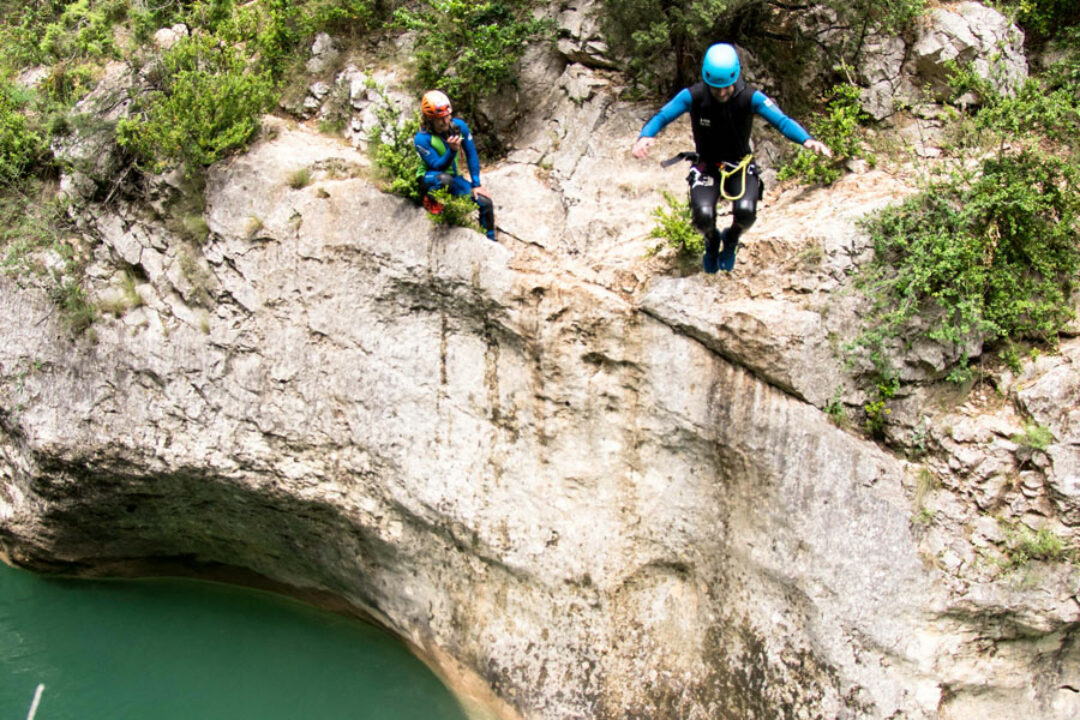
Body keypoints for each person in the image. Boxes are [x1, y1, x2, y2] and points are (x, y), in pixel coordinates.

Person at [632, 43, 833, 273]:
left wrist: (806, 139)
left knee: (746, 213)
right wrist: (645, 135)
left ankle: (731, 238)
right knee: (702, 217)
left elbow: (782, 121)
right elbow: (663, 115)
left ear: (735, 77)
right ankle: (711, 239)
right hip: (707, 165)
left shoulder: (750, 98)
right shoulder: (694, 96)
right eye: (715, 88)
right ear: (707, 80)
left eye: (725, 87)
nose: (721, 93)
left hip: (740, 165)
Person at [414, 90, 496, 241]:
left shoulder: (459, 127)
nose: (445, 121)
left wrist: (476, 184)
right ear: (430, 119)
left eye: (447, 116)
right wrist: (452, 151)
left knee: (485, 202)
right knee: (444, 180)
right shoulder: (422, 139)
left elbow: (471, 154)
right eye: (440, 119)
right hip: (429, 177)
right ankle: (430, 199)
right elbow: (436, 165)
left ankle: (490, 241)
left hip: (453, 178)